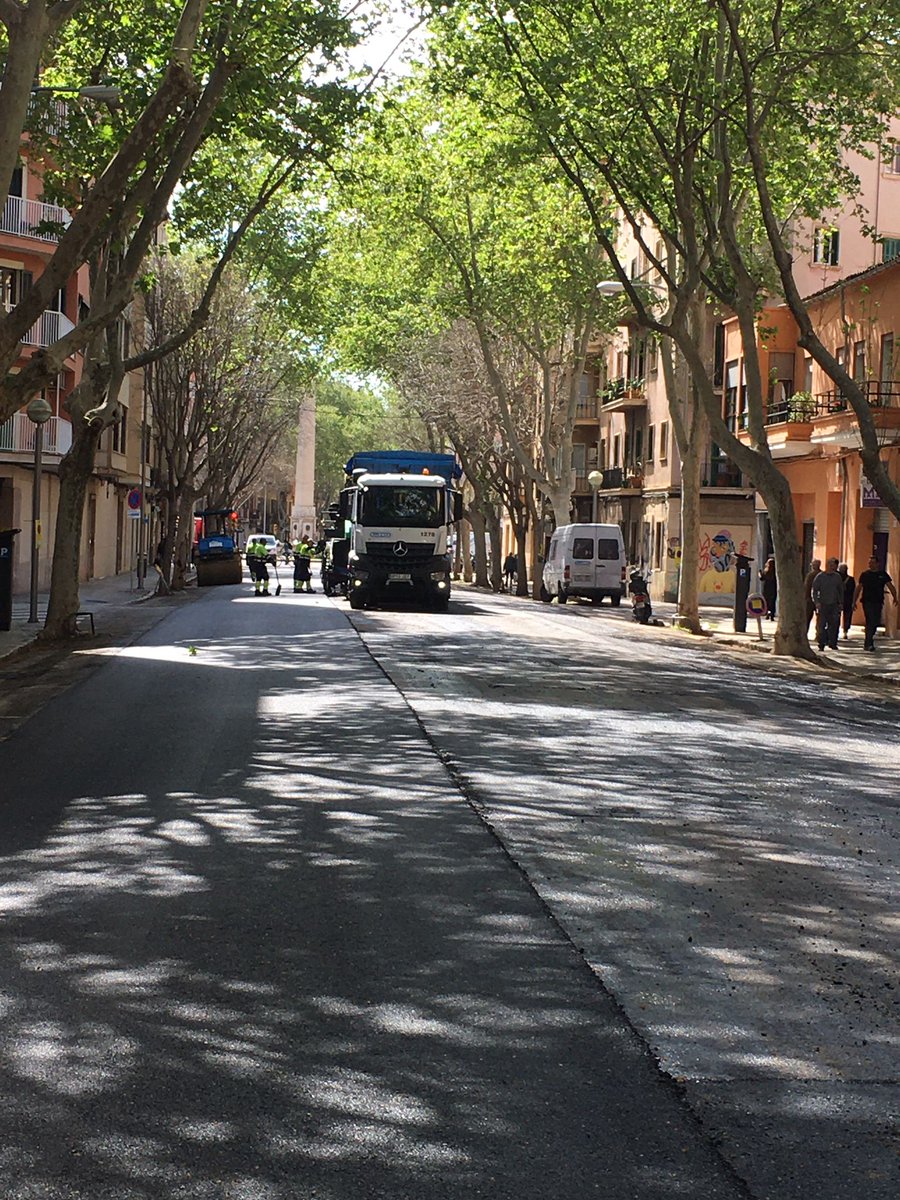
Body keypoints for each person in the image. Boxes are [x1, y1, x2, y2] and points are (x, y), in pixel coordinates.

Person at [853, 556, 898, 652]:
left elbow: (890, 586)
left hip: (878, 602)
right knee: (870, 620)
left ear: (877, 564)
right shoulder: (865, 575)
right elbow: (858, 588)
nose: (870, 564)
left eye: (873, 562)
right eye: (869, 563)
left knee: (875, 622)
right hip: (867, 601)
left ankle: (868, 641)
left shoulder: (882, 574)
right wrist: (854, 601)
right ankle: (869, 643)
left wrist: (895, 597)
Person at [811, 557, 843, 650]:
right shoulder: (820, 577)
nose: (832, 566)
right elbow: (814, 590)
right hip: (823, 604)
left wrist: (841, 602)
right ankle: (821, 643)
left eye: (833, 565)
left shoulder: (837, 577)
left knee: (833, 625)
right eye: (830, 564)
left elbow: (840, 590)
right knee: (821, 625)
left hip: (834, 604)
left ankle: (832, 643)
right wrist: (816, 602)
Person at [838, 562, 855, 640]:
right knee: (846, 616)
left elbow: (853, 591)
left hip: (843, 600)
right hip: (845, 600)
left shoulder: (837, 579)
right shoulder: (850, 579)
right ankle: (844, 631)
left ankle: (844, 631)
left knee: (844, 616)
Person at [803, 558, 821, 631]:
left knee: (807, 618)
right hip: (819, 599)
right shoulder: (822, 574)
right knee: (820, 619)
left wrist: (804, 598)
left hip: (809, 600)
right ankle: (819, 634)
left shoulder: (810, 575)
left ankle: (805, 632)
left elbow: (806, 587)